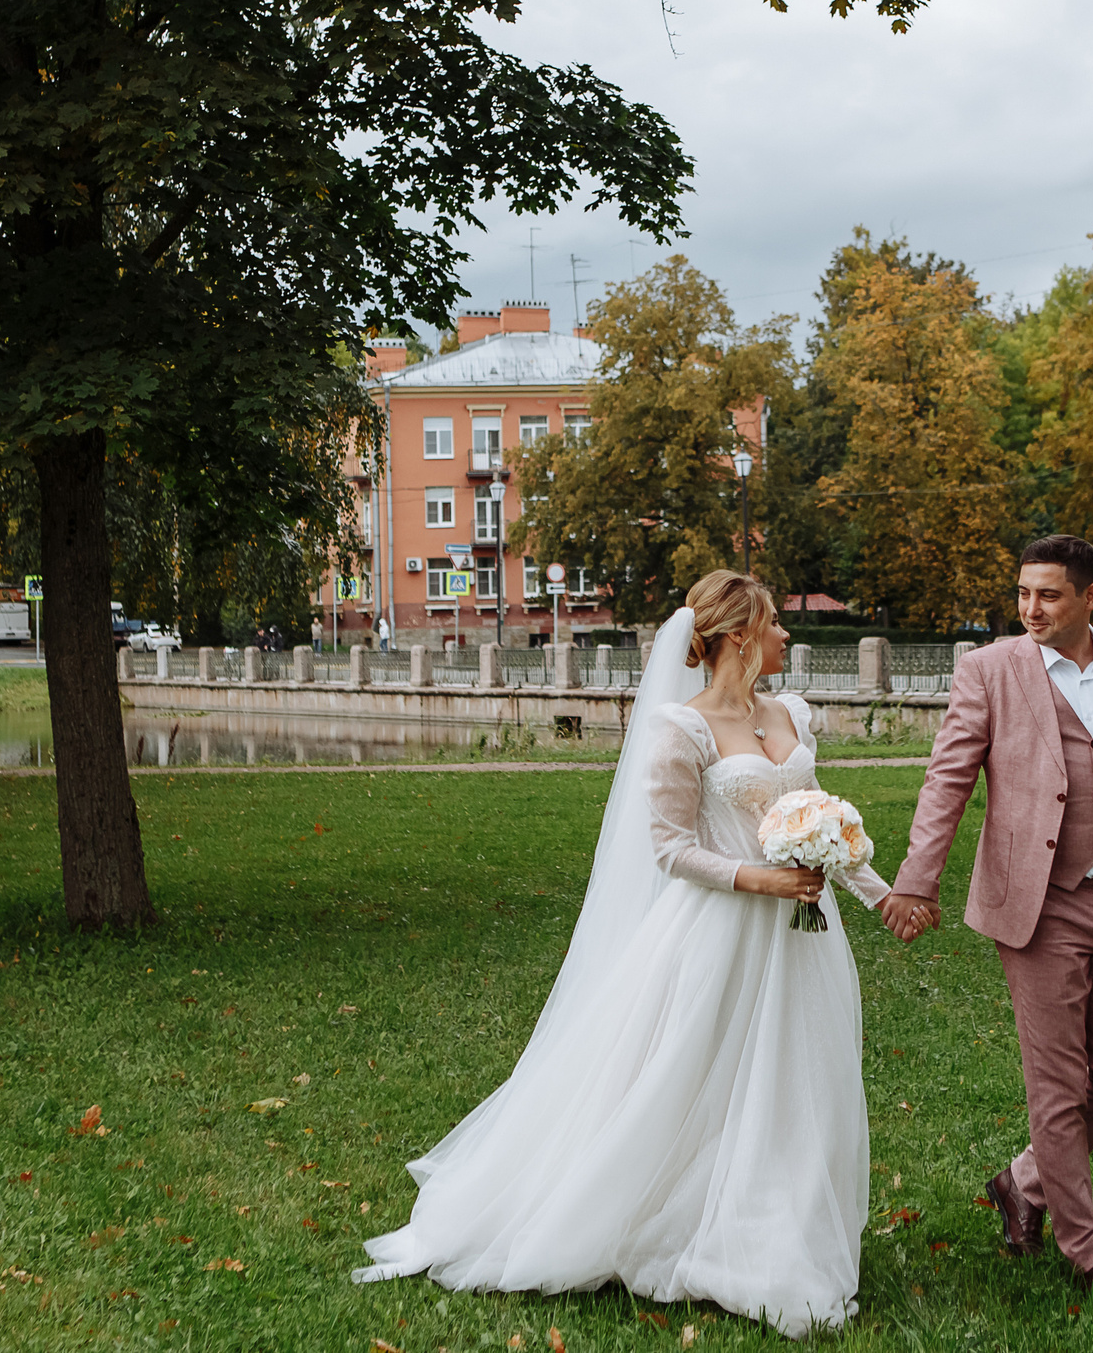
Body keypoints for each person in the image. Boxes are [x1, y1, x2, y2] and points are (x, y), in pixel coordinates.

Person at [353, 570, 897, 1336]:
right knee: (688, 1077)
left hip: (803, 937)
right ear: (738, 635)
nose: (785, 635)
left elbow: (821, 825)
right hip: (720, 930)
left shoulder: (791, 714)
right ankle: (675, 1215)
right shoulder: (684, 729)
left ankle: (781, 1220)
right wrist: (760, 878)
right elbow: (670, 848)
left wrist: (885, 896)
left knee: (796, 1076)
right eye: (774, 623)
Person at [879, 535, 1093, 1300]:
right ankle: (1088, 1250)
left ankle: (1022, 1180)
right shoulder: (989, 670)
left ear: (1089, 597)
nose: (1030, 608)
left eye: (1048, 594)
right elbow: (947, 779)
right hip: (1039, 904)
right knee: (1059, 1085)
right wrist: (917, 880)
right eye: (1022, 593)